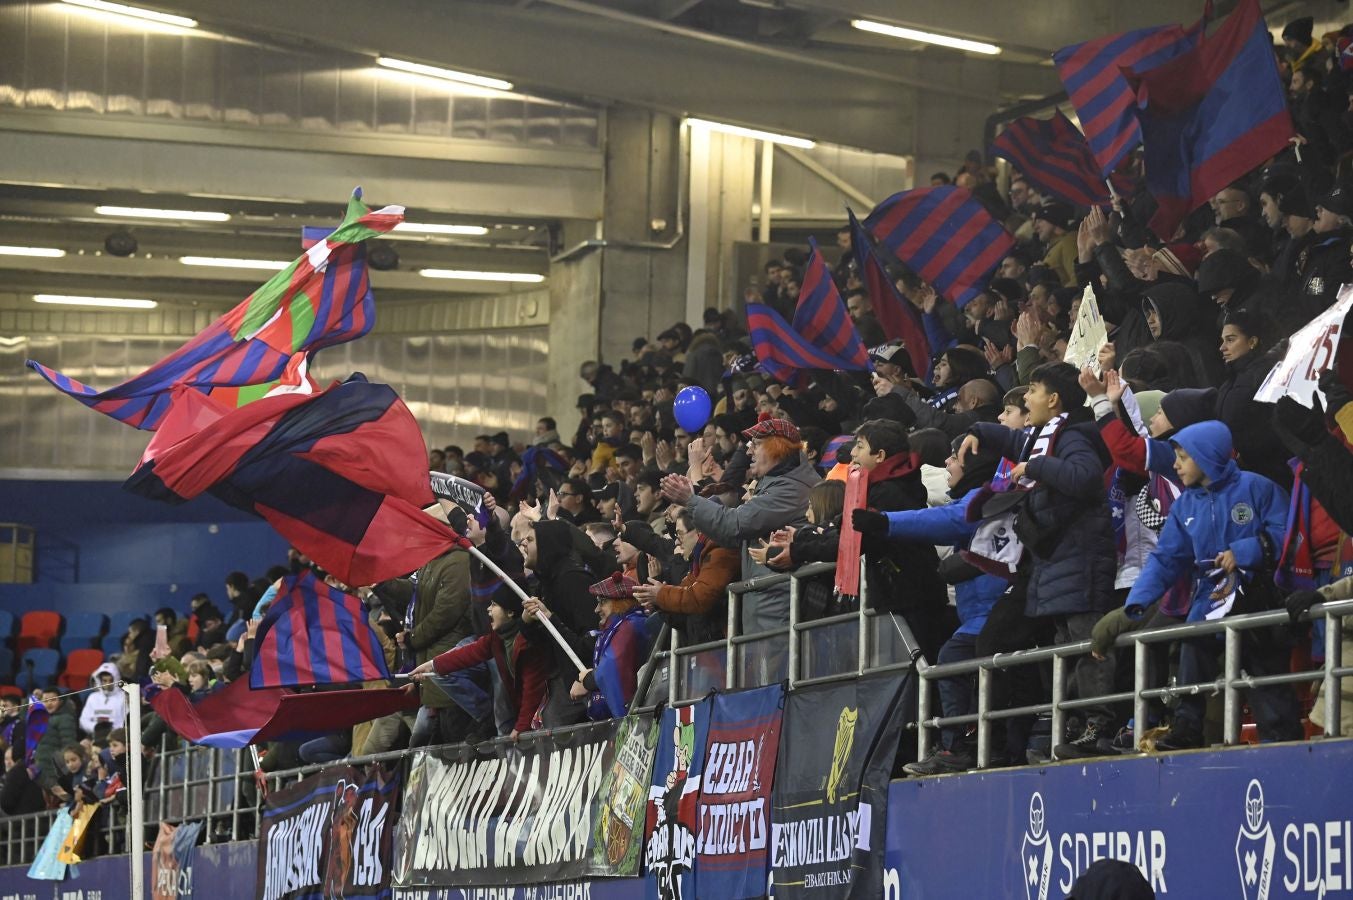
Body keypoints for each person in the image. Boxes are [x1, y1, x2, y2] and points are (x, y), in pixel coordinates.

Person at [959, 362, 1118, 759]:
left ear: (1054, 399)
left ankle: (1097, 728)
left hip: (1079, 565)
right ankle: (1077, 728)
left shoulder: (1075, 436)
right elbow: (1017, 444)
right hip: (1058, 567)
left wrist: (1036, 467)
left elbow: (1084, 477)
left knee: (1087, 648)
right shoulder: (1048, 436)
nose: (1025, 399)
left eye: (1031, 390)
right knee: (1066, 649)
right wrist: (978, 430)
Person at [1123, 421, 1301, 749]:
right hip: (1211, 596)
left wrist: (1246, 551)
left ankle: (1283, 742)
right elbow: (1166, 558)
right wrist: (1139, 599)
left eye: (1183, 457)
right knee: (1193, 650)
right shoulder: (1186, 505)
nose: (1175, 464)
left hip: (1257, 596)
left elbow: (1289, 535)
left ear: (1207, 456)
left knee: (1264, 675)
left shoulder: (1257, 488)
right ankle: (1187, 728)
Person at [854, 434, 1006, 775]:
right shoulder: (980, 496)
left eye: (954, 459)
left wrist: (887, 523)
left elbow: (948, 521)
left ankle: (959, 747)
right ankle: (979, 743)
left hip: (991, 612)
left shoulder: (985, 498)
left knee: (955, 658)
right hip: (980, 612)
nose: (947, 465)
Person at [661, 418, 819, 635]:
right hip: (769, 606)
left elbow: (734, 525)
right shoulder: (778, 484)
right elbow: (731, 534)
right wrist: (695, 497)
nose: (749, 452)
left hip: (778, 609)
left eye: (756, 444)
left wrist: (691, 500)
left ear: (777, 448)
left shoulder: (790, 489)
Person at [374, 506, 474, 747]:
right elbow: (415, 592)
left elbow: (446, 612)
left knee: (452, 740)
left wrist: (412, 638)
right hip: (432, 667)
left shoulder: (459, 561)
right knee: (429, 745)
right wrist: (384, 583)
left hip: (448, 663)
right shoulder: (433, 560)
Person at [409, 585, 547, 739]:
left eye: (494, 605)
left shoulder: (527, 644)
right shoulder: (497, 638)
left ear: (510, 612)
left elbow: (532, 689)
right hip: (527, 713)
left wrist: (522, 727)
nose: (488, 609)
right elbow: (467, 654)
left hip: (543, 710)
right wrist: (431, 665)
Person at [1214, 311, 1287, 487]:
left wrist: (1246, 453)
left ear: (1252, 342)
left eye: (1230, 340)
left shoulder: (1267, 376)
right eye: (1223, 340)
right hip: (1248, 472)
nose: (1222, 347)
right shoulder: (1232, 379)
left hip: (1272, 474)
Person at [568, 573, 650, 720]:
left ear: (622, 601)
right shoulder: (621, 627)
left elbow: (612, 667)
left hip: (636, 718)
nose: (596, 609)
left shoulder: (630, 626)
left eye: (603, 601)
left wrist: (589, 680)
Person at [78, 663, 126, 741]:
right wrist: (96, 728)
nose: (107, 684)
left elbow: (125, 721)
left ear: (116, 679)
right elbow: (83, 721)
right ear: (99, 681)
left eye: (111, 680)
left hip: (115, 738)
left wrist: (110, 731)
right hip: (93, 736)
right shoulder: (92, 697)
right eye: (104, 681)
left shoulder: (123, 697)